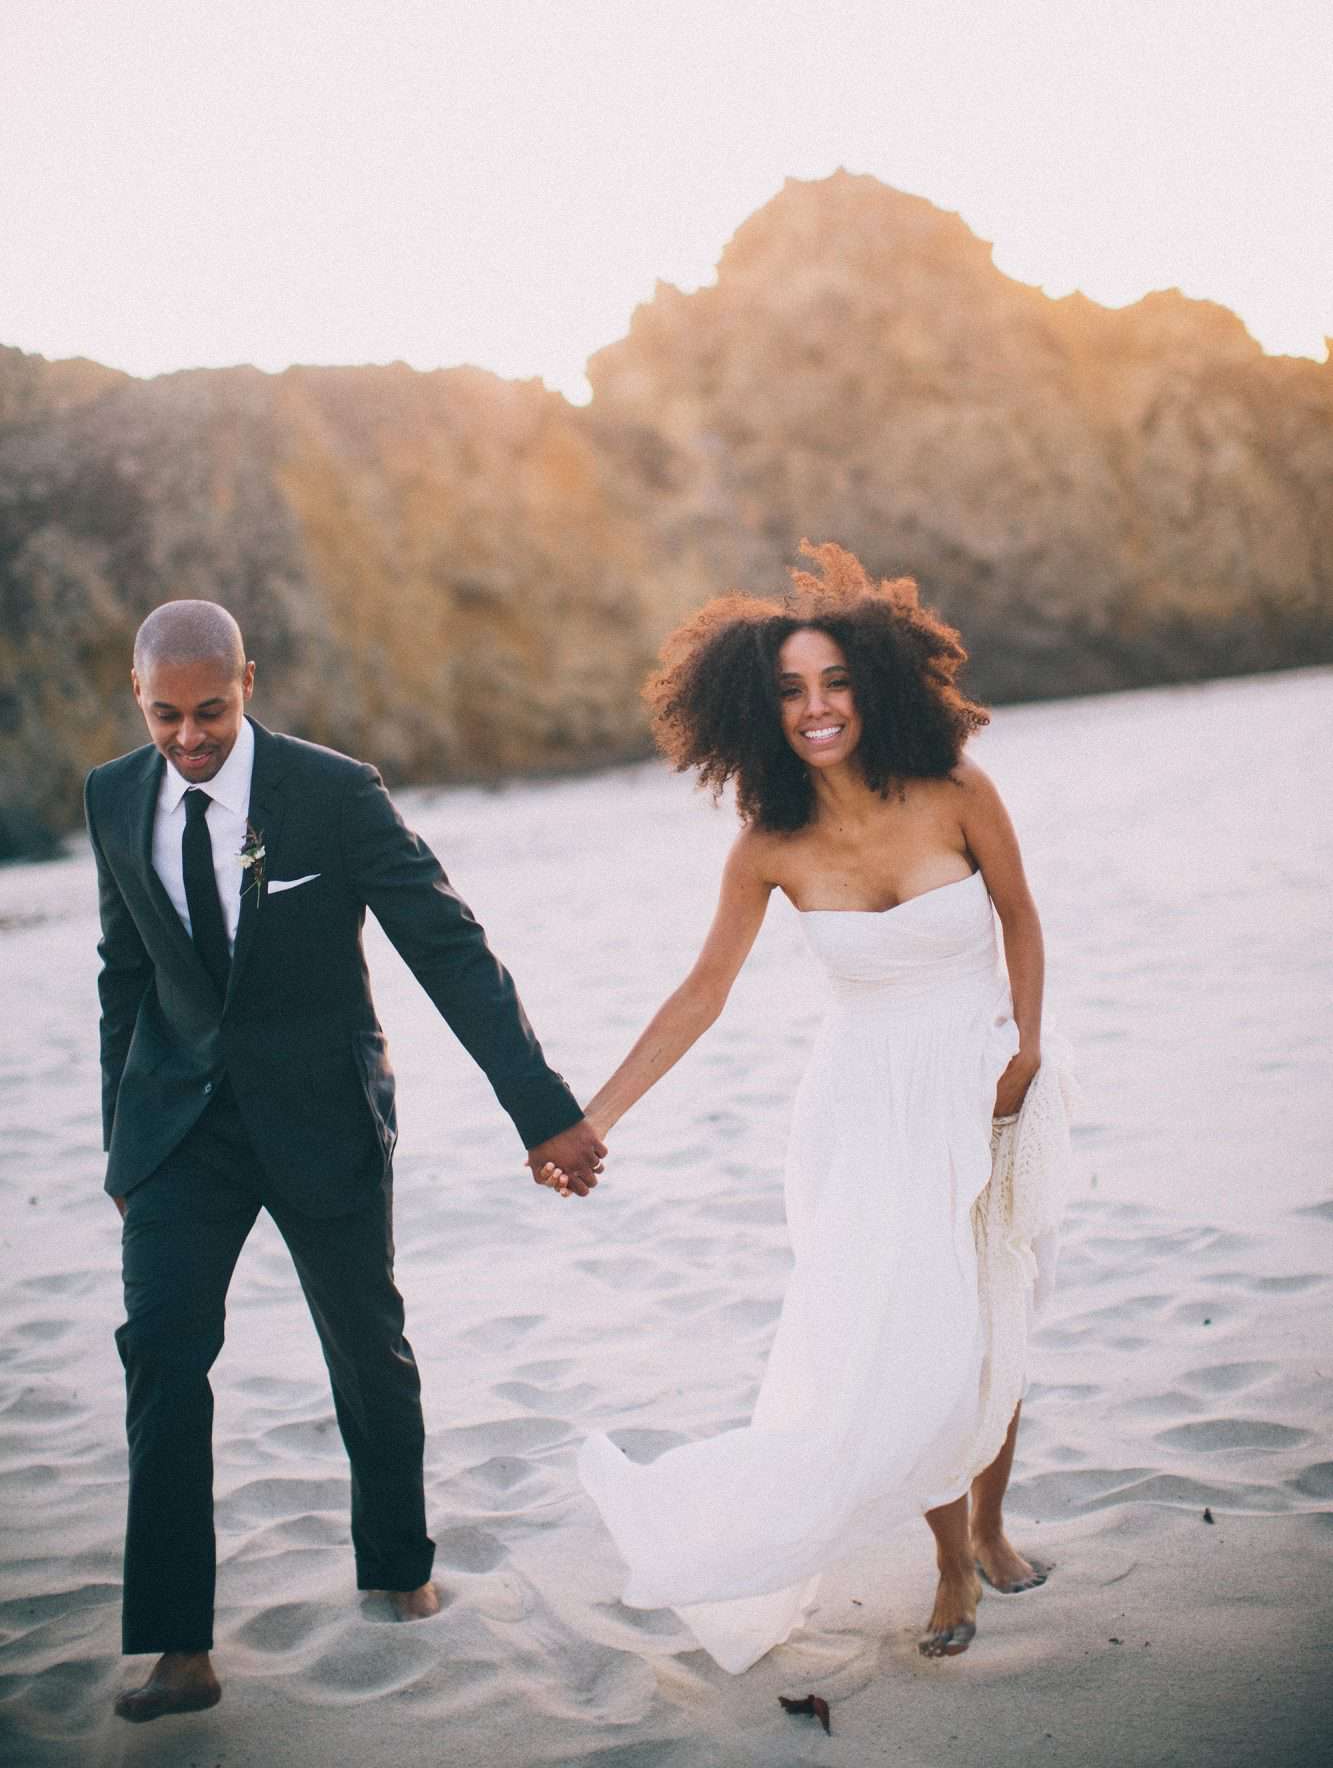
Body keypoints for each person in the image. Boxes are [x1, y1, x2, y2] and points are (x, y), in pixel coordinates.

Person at [555, 541, 1073, 1674]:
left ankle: (990, 1523)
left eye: (833, 680)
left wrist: (1025, 1052)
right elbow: (701, 993)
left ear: (874, 682)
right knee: (910, 1329)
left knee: (998, 1305)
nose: (816, 706)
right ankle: (947, 1554)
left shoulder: (955, 789)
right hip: (862, 1107)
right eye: (789, 689)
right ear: (757, 709)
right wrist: (594, 1117)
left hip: (985, 1073)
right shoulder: (768, 844)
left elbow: (1023, 917)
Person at [85, 599, 606, 1723]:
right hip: (177, 1131)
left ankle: (396, 1566)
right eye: (165, 715)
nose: (188, 737)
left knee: (366, 1343)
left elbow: (447, 946)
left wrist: (543, 1110)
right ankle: (177, 1645)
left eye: (210, 711)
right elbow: (122, 972)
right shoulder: (112, 796)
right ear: (140, 700)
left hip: (320, 1111)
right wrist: (118, 1141)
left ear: (249, 682)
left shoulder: (333, 792)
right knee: (161, 1355)